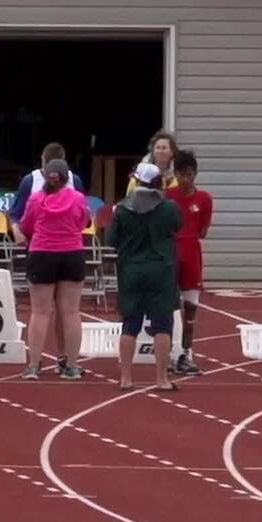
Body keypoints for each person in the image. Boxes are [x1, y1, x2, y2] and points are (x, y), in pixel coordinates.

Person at [108, 163, 182, 392]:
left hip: (131, 270)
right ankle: (161, 378)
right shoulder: (169, 208)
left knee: (130, 324)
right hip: (161, 270)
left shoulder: (121, 208)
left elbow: (111, 239)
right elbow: (177, 227)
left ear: (137, 182)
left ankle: (126, 378)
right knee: (162, 325)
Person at [18, 158, 89, 381]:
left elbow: (26, 226)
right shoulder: (77, 198)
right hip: (72, 254)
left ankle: (33, 365)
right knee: (70, 312)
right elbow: (83, 223)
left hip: (42, 253)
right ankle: (72, 365)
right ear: (67, 178)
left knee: (40, 312)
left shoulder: (37, 198)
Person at [165, 150, 213, 376]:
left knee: (191, 307)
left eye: (190, 174)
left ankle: (187, 354)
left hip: (192, 254)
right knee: (169, 306)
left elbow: (203, 231)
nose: (187, 179)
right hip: (170, 254)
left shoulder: (204, 199)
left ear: (196, 174)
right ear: (175, 174)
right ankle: (171, 353)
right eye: (182, 175)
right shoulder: (168, 196)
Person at [10, 142, 84, 240]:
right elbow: (15, 214)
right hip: (38, 241)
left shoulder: (74, 181)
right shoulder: (30, 181)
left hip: (68, 242)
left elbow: (84, 216)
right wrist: (17, 233)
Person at [125, 131, 179, 196]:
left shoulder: (178, 176)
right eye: (158, 147)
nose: (160, 151)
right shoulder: (139, 175)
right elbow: (129, 198)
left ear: (172, 152)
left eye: (164, 148)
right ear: (152, 151)